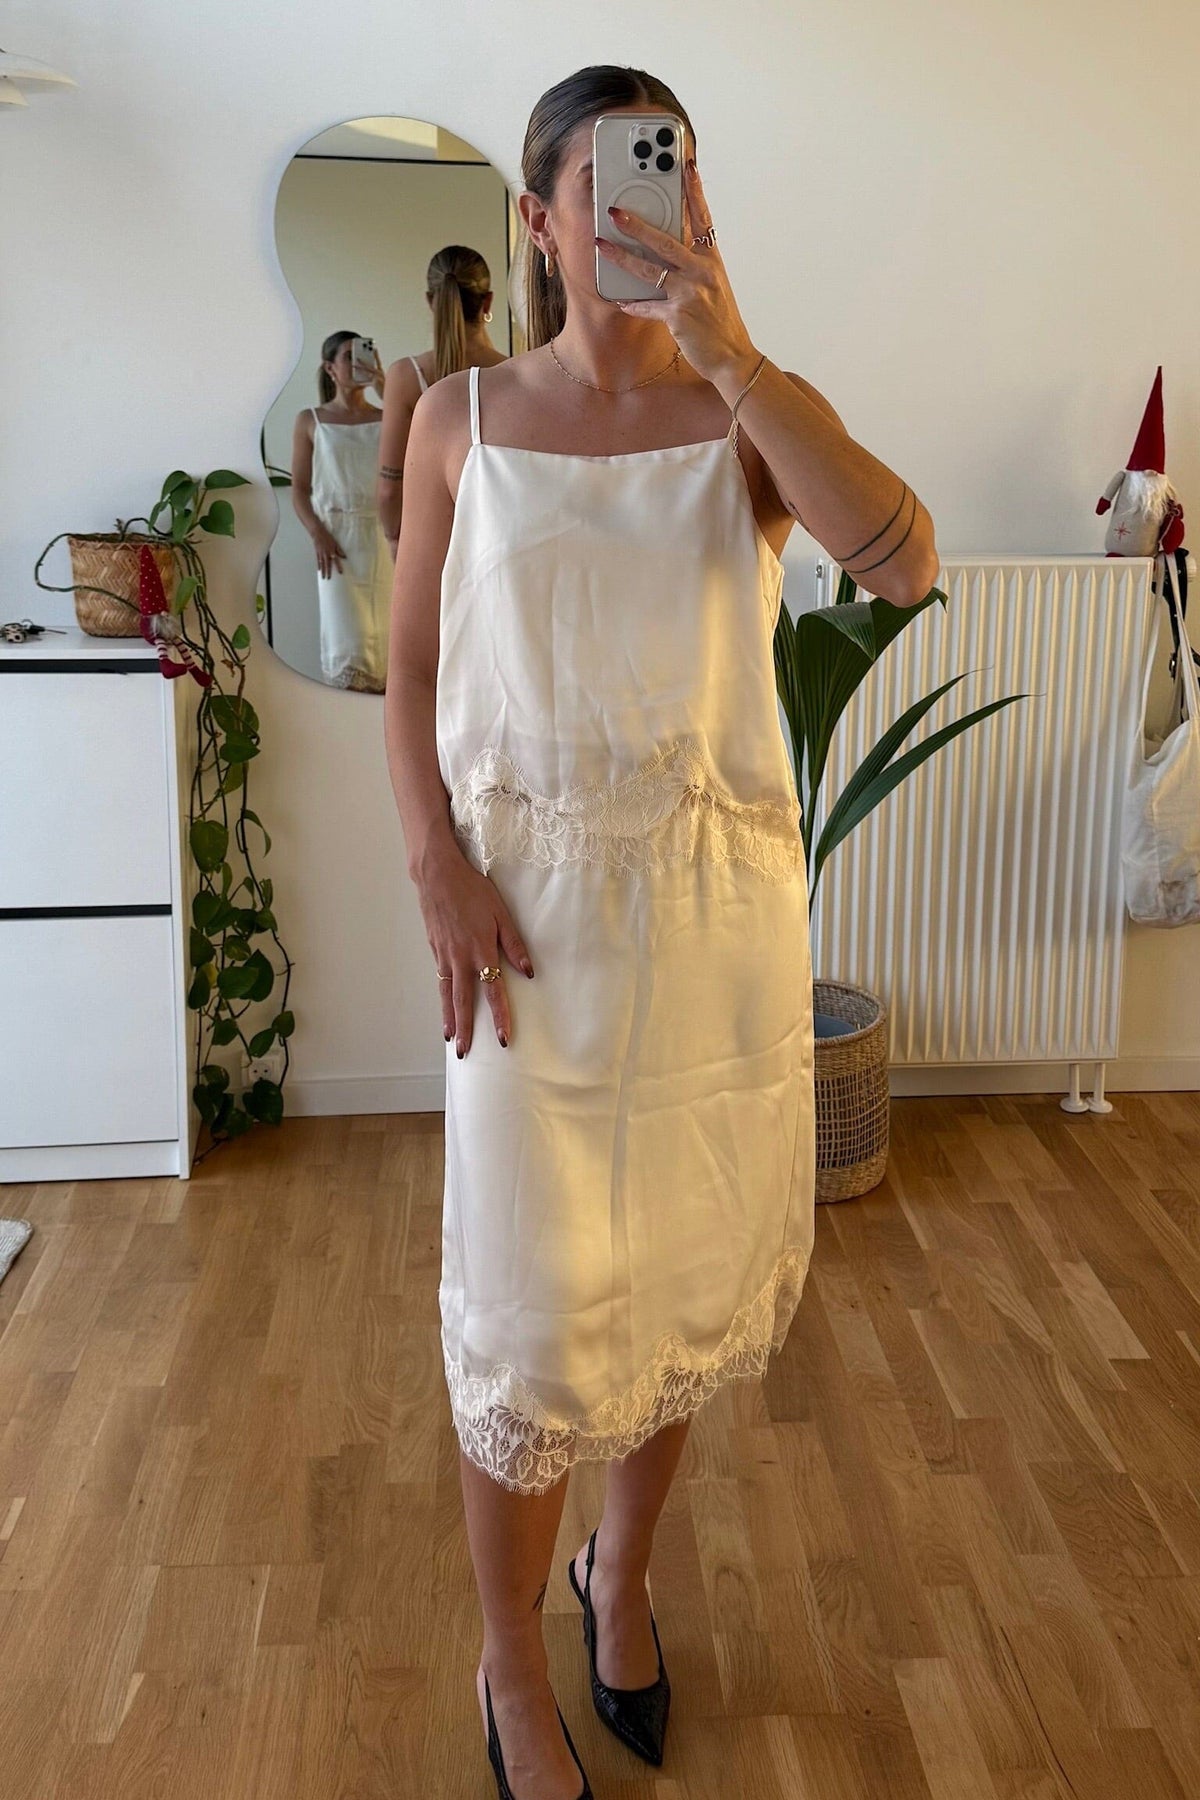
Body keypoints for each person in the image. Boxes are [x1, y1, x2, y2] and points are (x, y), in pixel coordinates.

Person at [383, 63, 939, 1800]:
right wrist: (435, 864)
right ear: (542, 221)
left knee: (676, 1271)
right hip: (526, 952)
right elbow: (410, 671)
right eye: (615, 182)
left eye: (675, 177)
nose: (650, 209)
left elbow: (903, 563)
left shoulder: (743, 414)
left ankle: (616, 1574)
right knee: (532, 1315)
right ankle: (508, 1665)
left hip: (711, 932)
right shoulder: (460, 422)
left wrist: (733, 354)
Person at [376, 246, 508, 558]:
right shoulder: (514, 373)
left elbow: (389, 487)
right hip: (496, 543)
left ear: (430, 300)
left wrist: (395, 539)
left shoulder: (406, 376)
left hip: (430, 546)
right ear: (487, 301)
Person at [290, 329, 391, 691]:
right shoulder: (310, 420)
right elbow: (299, 490)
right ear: (330, 368)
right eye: (349, 357)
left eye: (364, 354)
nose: (358, 363)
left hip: (383, 538)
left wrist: (385, 387)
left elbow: (417, 445)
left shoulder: (388, 417)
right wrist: (317, 533)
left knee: (388, 635)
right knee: (346, 639)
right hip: (335, 542)